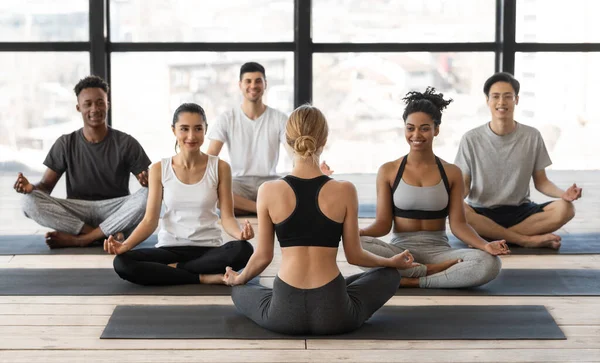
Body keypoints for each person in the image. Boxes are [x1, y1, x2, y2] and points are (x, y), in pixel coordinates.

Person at [222, 105, 427, 336]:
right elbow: (355, 255)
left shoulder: (268, 190)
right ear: (324, 139)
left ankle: (245, 284)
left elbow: (263, 257)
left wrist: (238, 278)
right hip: (335, 313)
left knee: (240, 289)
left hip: (282, 314)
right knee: (388, 275)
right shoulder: (344, 190)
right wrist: (393, 262)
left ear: (288, 140)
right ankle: (345, 292)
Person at [360, 87, 510, 289]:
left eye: (424, 128)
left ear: (436, 129)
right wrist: (357, 232)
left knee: (490, 264)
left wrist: (484, 245)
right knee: (356, 244)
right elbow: (382, 225)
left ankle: (414, 280)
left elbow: (459, 225)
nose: (416, 134)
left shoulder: (451, 172)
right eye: (410, 128)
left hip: (440, 252)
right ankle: (425, 271)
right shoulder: (388, 171)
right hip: (400, 251)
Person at [104, 103, 254, 286]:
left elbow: (228, 217)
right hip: (170, 248)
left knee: (243, 249)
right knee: (122, 263)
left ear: (205, 130)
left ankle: (177, 269)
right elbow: (149, 221)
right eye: (184, 129)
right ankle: (203, 277)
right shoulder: (159, 169)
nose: (191, 136)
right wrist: (125, 245)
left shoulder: (220, 167)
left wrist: (240, 234)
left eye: (198, 129)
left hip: (208, 249)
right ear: (174, 130)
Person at [13, 75, 151, 248]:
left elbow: (148, 181)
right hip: (78, 212)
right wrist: (30, 188)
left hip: (115, 211)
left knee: (151, 194)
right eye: (88, 104)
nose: (95, 109)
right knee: (27, 201)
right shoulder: (65, 143)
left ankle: (82, 239)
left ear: (108, 104)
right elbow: (45, 187)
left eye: (100, 102)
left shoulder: (126, 142)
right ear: (78, 108)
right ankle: (100, 235)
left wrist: (148, 180)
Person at [455, 72, 582, 249]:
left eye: (508, 96)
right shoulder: (471, 138)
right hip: (481, 212)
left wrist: (564, 195)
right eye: (496, 97)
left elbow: (542, 182)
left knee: (566, 209)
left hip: (521, 211)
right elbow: (465, 186)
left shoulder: (532, 136)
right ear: (487, 101)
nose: (501, 102)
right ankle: (525, 240)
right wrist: (452, 201)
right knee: (458, 210)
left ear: (517, 99)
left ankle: (488, 238)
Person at [207, 62, 331, 214]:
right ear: (240, 85)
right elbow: (210, 158)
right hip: (239, 184)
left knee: (295, 189)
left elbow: (295, 154)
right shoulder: (227, 118)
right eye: (248, 81)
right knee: (212, 191)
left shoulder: (279, 118)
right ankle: (262, 209)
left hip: (270, 181)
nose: (253, 85)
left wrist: (314, 168)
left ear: (265, 84)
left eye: (258, 81)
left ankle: (252, 208)